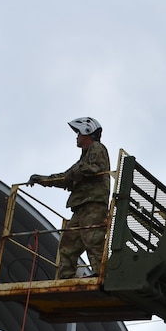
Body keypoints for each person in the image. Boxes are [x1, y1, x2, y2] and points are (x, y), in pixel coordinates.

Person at [28, 116, 111, 280]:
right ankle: (65, 278)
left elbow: (93, 168)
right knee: (68, 245)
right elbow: (67, 177)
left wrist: (72, 174)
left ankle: (102, 275)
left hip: (93, 205)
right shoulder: (84, 157)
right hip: (81, 207)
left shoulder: (97, 148)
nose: (76, 136)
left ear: (87, 132)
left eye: (78, 133)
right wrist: (43, 180)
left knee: (93, 241)